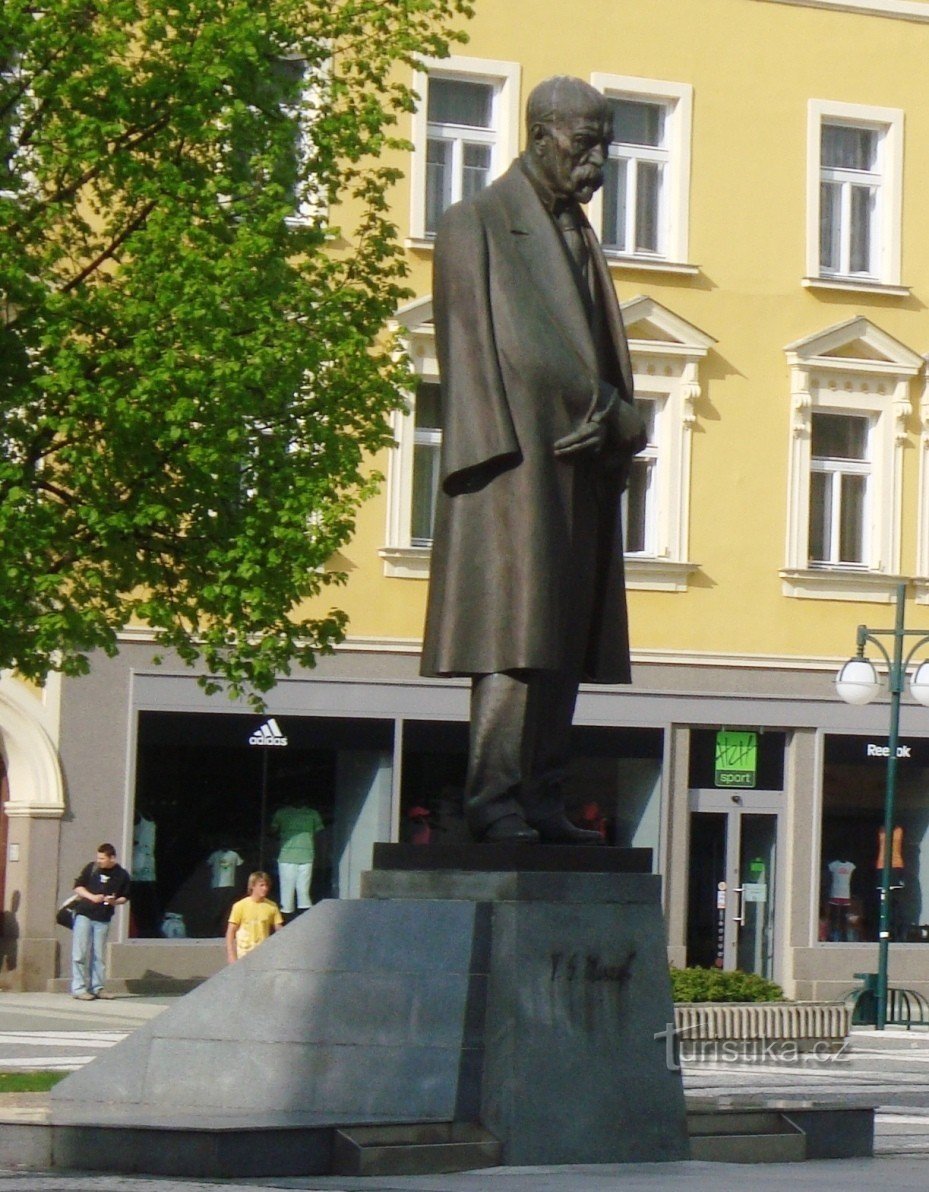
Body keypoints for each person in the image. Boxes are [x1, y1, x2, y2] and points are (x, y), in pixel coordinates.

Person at [421, 76, 647, 844]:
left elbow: (591, 354)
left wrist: (619, 423)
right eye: (585, 145)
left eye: (605, 147)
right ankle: (494, 801)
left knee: (560, 646)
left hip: (580, 466)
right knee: (515, 642)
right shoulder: (477, 222)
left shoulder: (578, 234)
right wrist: (610, 408)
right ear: (542, 135)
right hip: (513, 466)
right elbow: (521, 348)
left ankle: (542, 799)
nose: (597, 164)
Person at [71, 842, 131, 1000]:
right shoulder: (91, 868)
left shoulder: (122, 875)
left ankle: (97, 987)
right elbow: (78, 887)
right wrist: (92, 897)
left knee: (99, 955)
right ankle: (79, 988)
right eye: (98, 858)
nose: (99, 861)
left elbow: (125, 897)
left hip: (103, 918)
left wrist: (114, 901)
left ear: (112, 858)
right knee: (79, 953)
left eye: (102, 858)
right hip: (84, 914)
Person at [225, 871, 283, 963]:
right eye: (261, 885)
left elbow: (280, 930)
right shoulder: (240, 906)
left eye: (266, 885)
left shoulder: (272, 906)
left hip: (263, 955)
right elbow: (230, 932)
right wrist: (231, 955)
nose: (265, 888)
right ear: (252, 886)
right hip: (244, 954)